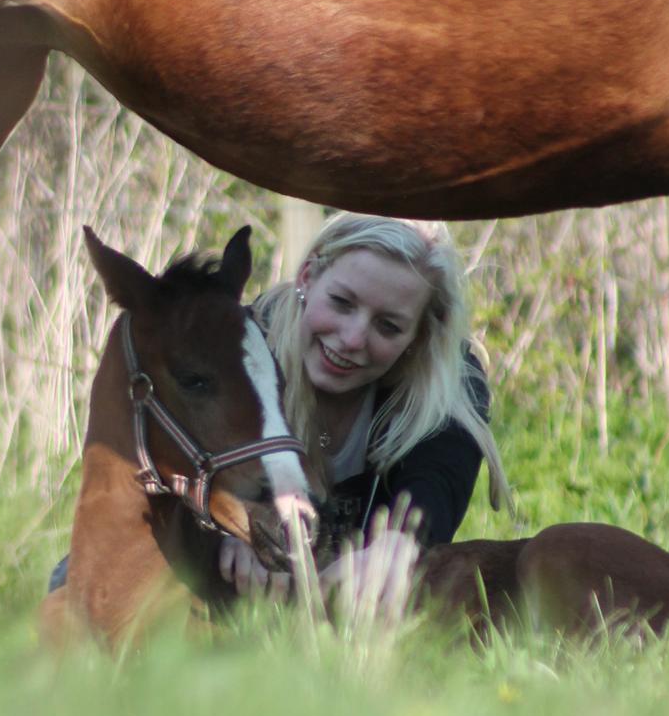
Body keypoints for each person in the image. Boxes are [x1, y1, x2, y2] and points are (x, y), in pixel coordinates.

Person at [218, 211, 510, 597]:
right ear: (307, 276)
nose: (354, 338)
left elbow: (438, 479)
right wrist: (229, 520)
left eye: (388, 326)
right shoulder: (232, 350)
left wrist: (402, 542)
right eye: (341, 302)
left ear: (418, 336)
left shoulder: (452, 383)